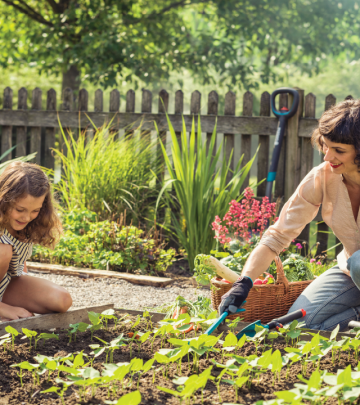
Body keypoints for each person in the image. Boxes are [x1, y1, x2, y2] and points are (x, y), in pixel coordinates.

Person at [219, 98, 360, 331]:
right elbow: (278, 235)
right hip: (350, 270)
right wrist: (244, 282)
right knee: (301, 324)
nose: (327, 157)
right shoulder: (322, 177)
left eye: (339, 151)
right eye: (326, 145)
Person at [0, 161, 72, 321]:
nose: (26, 217)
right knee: (3, 251)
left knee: (62, 300)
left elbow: (19, 262)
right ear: (4, 199)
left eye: (35, 210)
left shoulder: (27, 224)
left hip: (5, 284)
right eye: (20, 209)